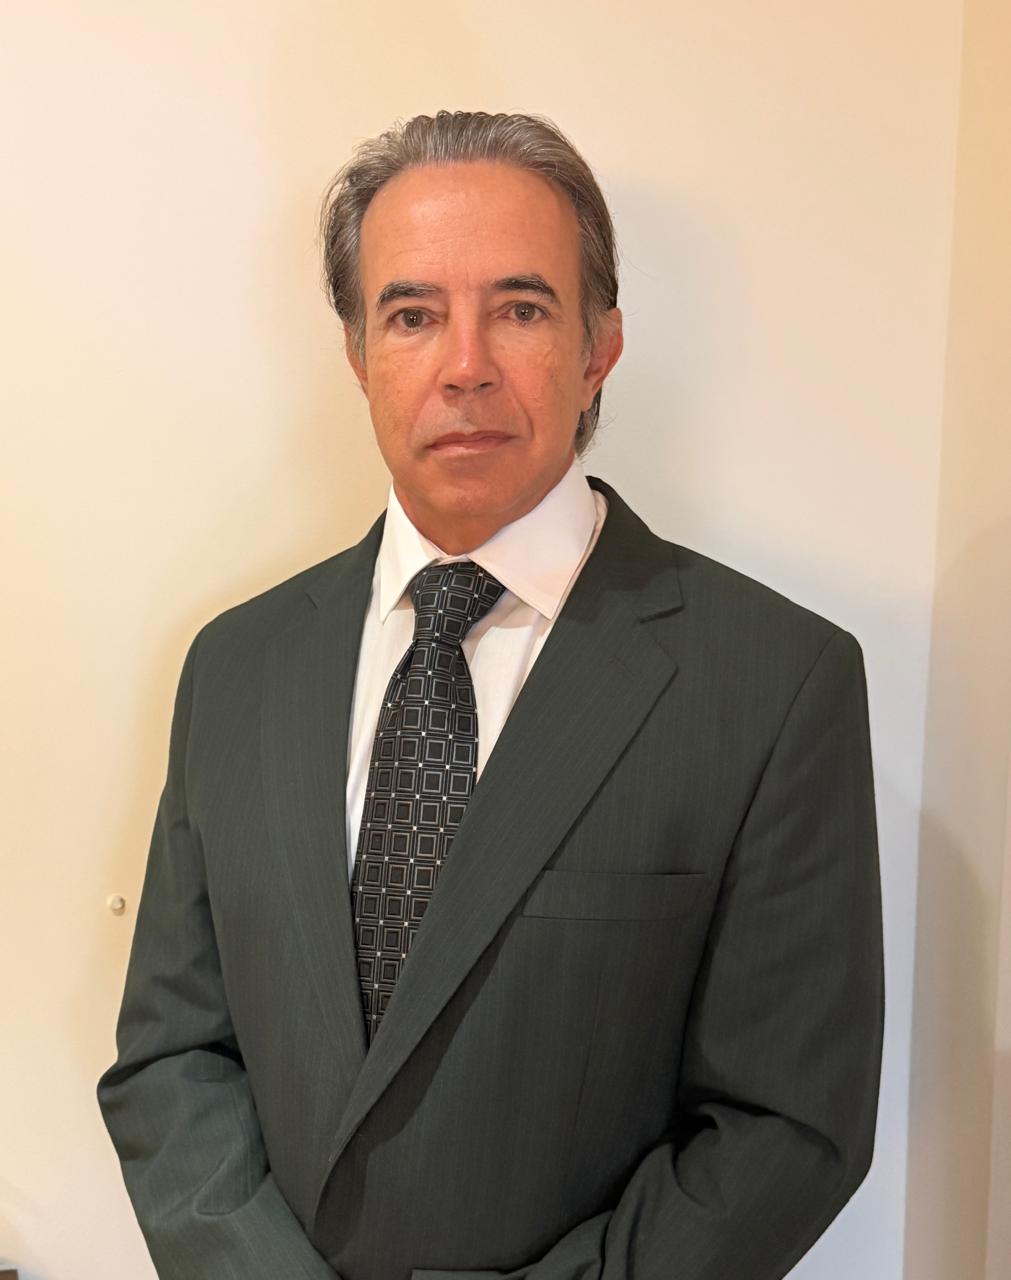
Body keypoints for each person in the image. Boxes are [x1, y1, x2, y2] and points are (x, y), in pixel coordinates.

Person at [98, 110, 884, 1280]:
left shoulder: (774, 682)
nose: (464, 364)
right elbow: (172, 1056)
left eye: (519, 309)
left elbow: (786, 1123)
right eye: (412, 314)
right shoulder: (235, 666)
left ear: (600, 345)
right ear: (358, 352)